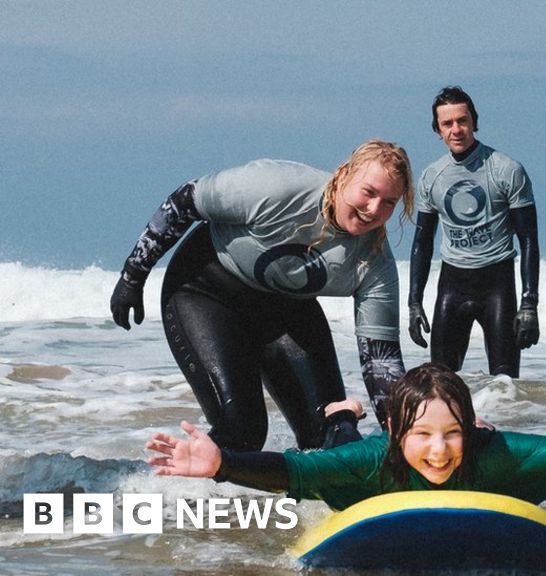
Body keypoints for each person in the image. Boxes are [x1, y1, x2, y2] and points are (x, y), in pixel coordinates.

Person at [110, 140, 415, 452]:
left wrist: (409, 440)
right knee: (242, 432)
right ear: (344, 175)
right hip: (204, 292)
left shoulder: (375, 262)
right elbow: (185, 200)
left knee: (331, 432)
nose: (374, 210)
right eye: (369, 192)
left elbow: (381, 362)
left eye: (389, 202)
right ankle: (175, 491)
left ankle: (311, 495)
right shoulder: (278, 188)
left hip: (285, 310)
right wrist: (133, 276)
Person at [146, 363, 546, 511]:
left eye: (453, 434)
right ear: (397, 435)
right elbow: (292, 473)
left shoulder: (503, 457)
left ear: (473, 429)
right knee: (332, 445)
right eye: (422, 436)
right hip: (358, 486)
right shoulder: (370, 462)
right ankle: (344, 412)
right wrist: (223, 462)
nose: (438, 451)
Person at [407, 86, 540, 378]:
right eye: (447, 123)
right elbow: (422, 242)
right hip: (452, 286)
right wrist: (414, 302)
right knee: (440, 384)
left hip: (497, 287)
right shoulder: (432, 177)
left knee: (505, 385)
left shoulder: (507, 170)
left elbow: (528, 238)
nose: (456, 129)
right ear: (438, 130)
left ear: (474, 122)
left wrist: (529, 303)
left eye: (462, 120)